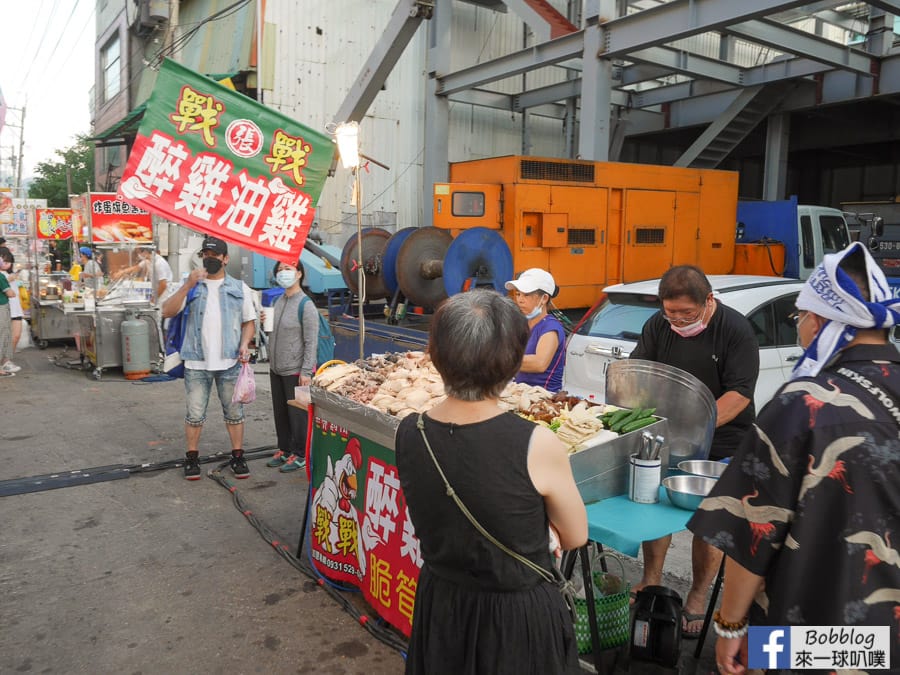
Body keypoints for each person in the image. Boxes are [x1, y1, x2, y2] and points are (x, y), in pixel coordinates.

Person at [689, 242, 900, 673]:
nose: (799, 328)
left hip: (813, 630)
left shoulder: (805, 405)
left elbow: (752, 529)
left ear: (820, 320)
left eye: (799, 317)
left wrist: (730, 626)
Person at [395, 288, 588, 674]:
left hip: (442, 604)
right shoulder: (535, 442)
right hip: (515, 618)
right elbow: (576, 536)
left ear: (435, 355)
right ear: (513, 360)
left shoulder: (409, 430)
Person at [630, 264, 759, 638]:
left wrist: (696, 426)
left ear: (708, 301)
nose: (679, 320)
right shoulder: (658, 326)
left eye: (687, 313)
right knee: (653, 507)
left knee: (709, 523)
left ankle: (699, 596)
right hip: (668, 435)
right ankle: (651, 579)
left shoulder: (735, 330)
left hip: (723, 440)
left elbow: (740, 394)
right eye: (671, 312)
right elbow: (641, 371)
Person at [161, 236, 257, 481]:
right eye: (206, 255)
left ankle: (238, 456)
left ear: (225, 259)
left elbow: (249, 322)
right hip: (196, 362)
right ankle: (191, 458)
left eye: (215, 255)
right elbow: (167, 311)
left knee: (234, 414)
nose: (210, 259)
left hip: (230, 362)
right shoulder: (191, 285)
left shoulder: (239, 288)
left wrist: (245, 343)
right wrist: (187, 286)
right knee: (194, 414)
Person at [262, 258, 318, 473]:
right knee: (281, 412)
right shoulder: (280, 301)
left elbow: (311, 341)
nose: (283, 272)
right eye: (280, 270)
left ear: (299, 274)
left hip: (297, 370)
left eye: (288, 269)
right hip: (277, 368)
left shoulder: (306, 305)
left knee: (299, 415)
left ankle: (301, 453)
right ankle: (284, 449)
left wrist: (306, 371)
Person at [504, 268, 567, 392]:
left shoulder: (550, 328)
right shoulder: (522, 325)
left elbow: (539, 363)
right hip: (519, 393)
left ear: (544, 298)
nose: (520, 300)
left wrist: (497, 360)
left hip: (543, 398)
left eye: (526, 295)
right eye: (518, 294)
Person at [0, 247, 24, 372]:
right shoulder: (3, 276)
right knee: (5, 337)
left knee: (15, 336)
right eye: (4, 261)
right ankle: (3, 362)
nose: (6, 264)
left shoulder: (10, 273)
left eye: (8, 261)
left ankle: (7, 360)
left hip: (16, 309)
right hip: (4, 308)